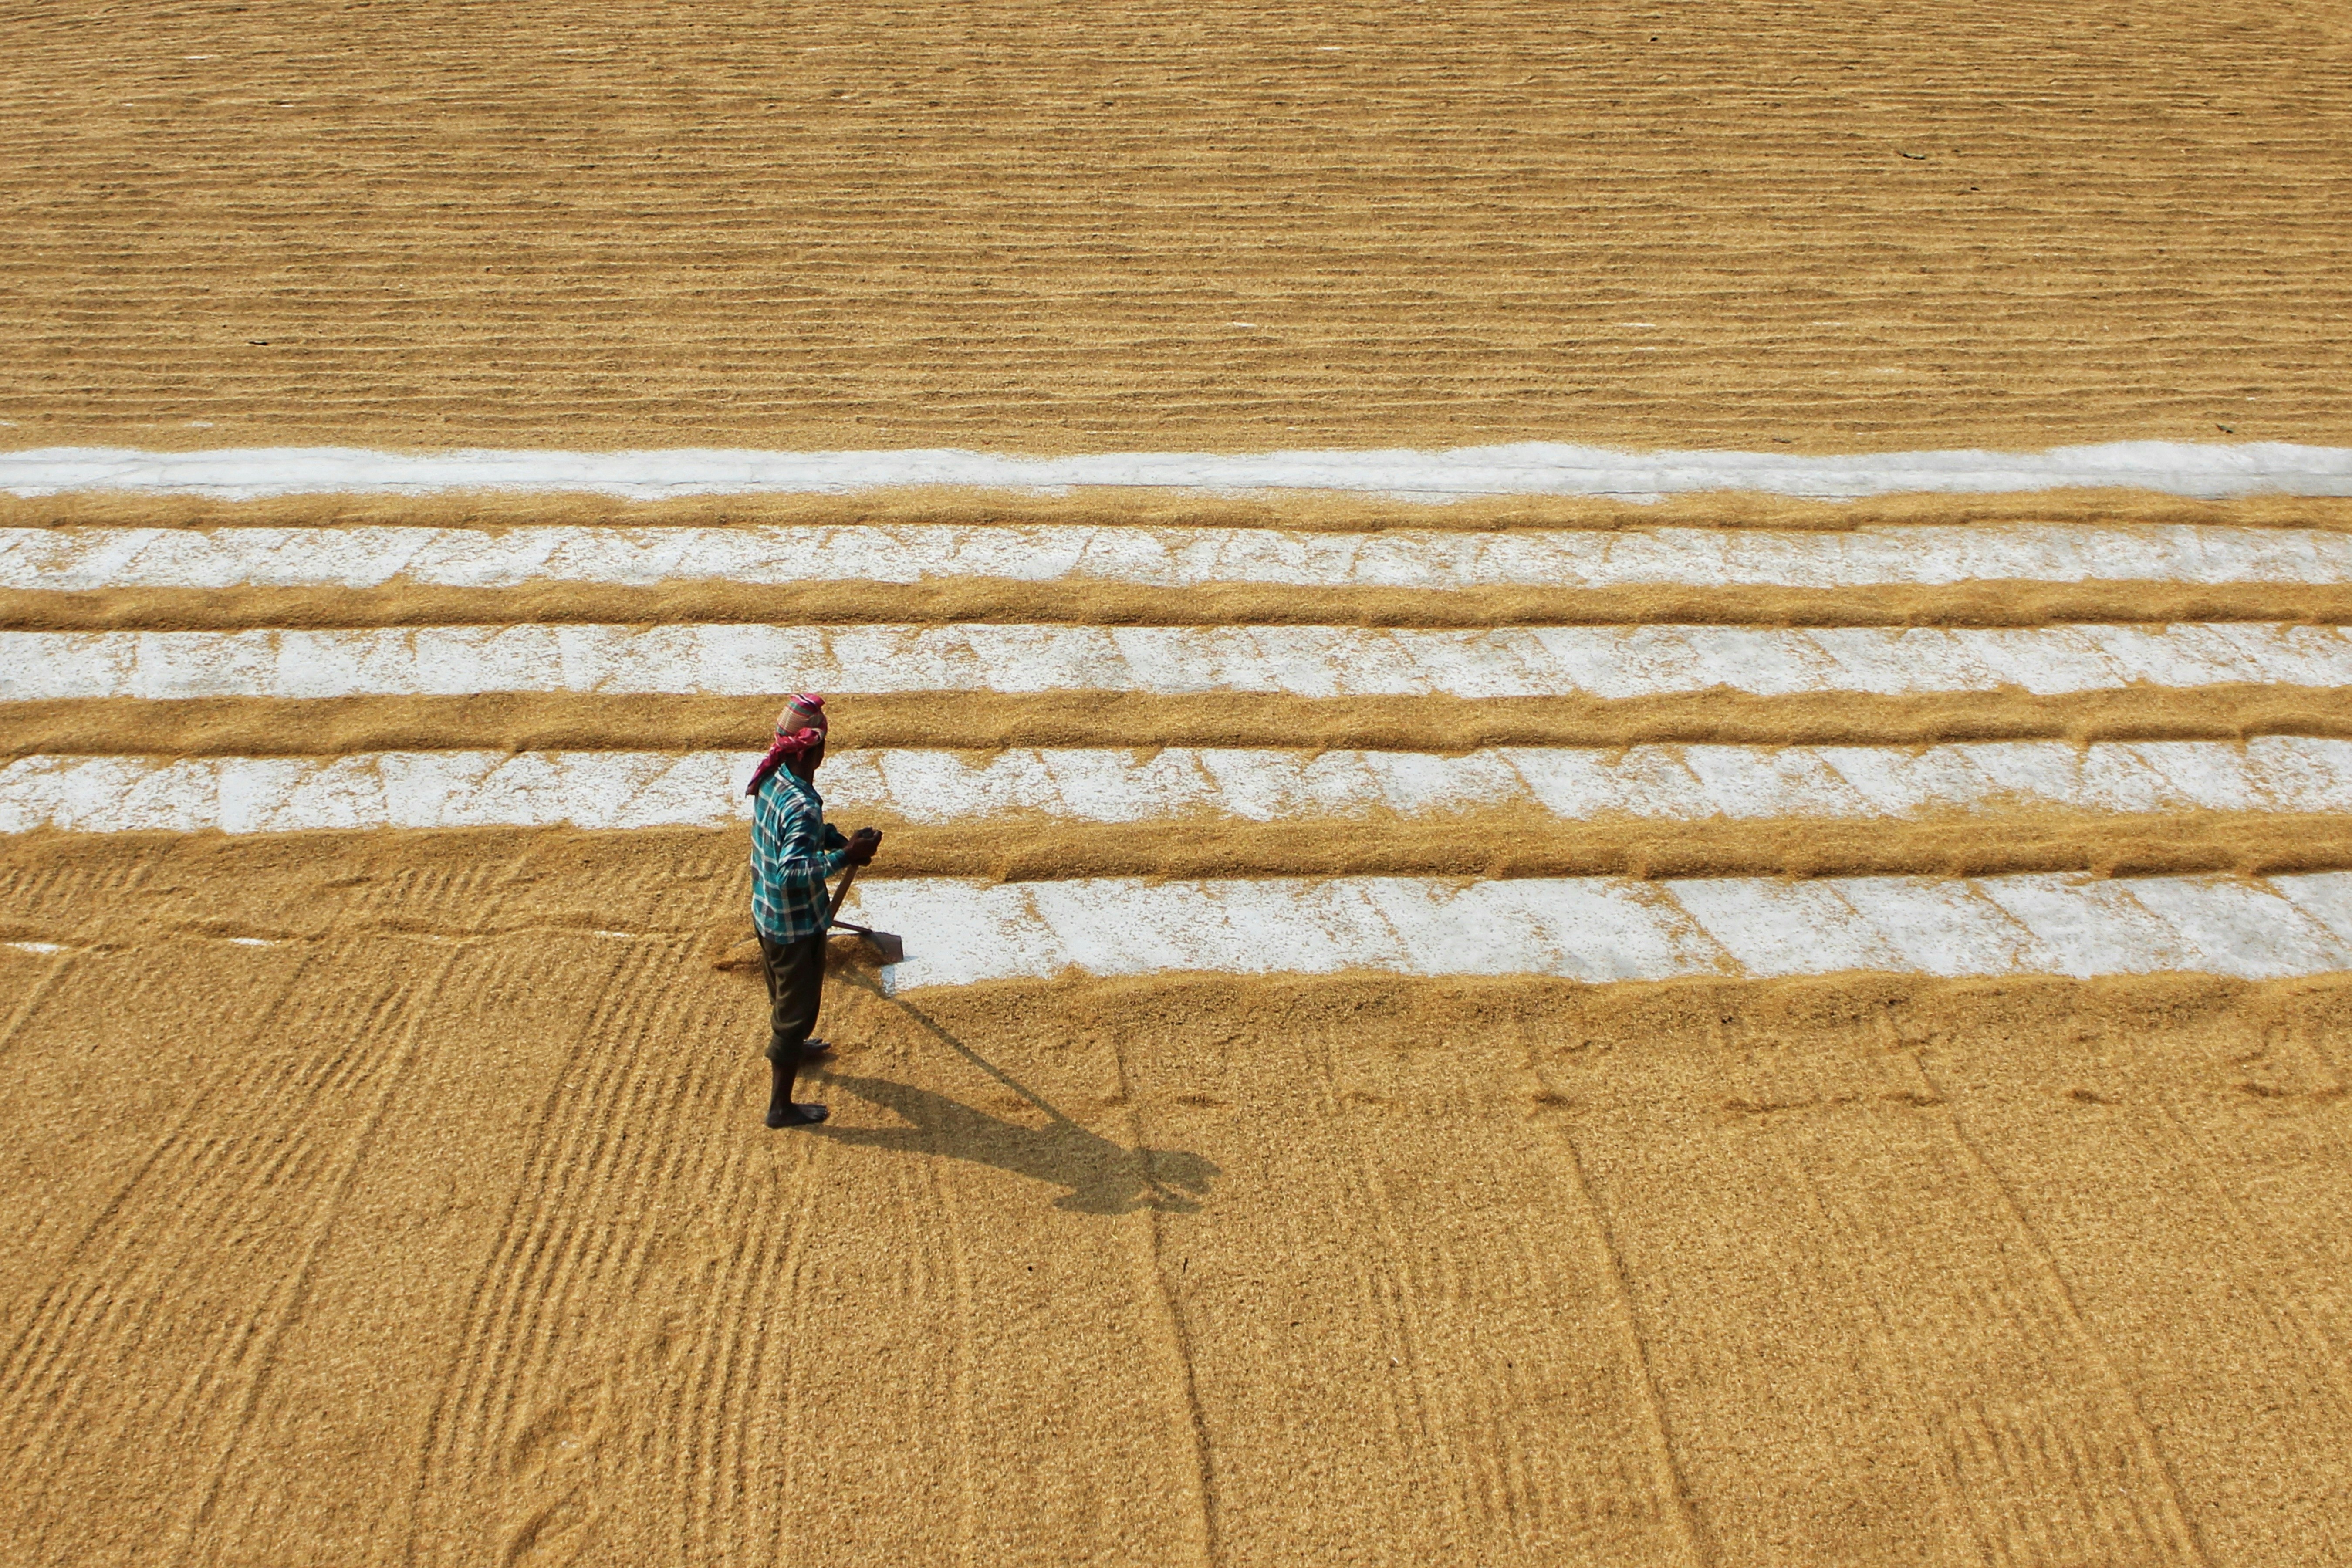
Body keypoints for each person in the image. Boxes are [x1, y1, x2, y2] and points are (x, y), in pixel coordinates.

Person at [746, 693, 881, 1128]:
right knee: (797, 1010)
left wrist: (839, 841)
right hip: (794, 923)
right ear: (816, 750)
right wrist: (845, 859)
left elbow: (797, 836)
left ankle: (795, 1043)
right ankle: (781, 1107)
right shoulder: (803, 803)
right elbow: (791, 872)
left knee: (784, 992)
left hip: (767, 914)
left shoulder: (774, 778)